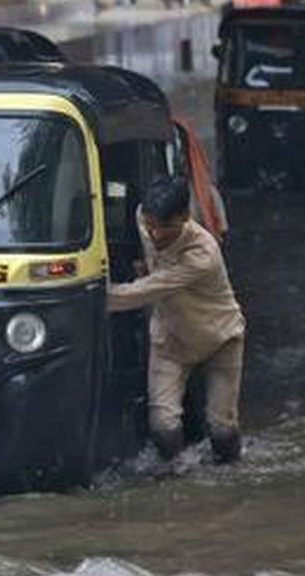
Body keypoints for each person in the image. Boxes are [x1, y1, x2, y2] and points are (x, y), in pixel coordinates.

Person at [108, 176, 247, 464]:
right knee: (163, 425)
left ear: (185, 217)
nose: (156, 234)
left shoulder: (202, 253)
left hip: (220, 338)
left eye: (166, 227)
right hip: (171, 337)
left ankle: (232, 472)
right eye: (151, 225)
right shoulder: (142, 217)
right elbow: (150, 263)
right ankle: (178, 474)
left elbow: (150, 289)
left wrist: (94, 300)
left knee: (222, 429)